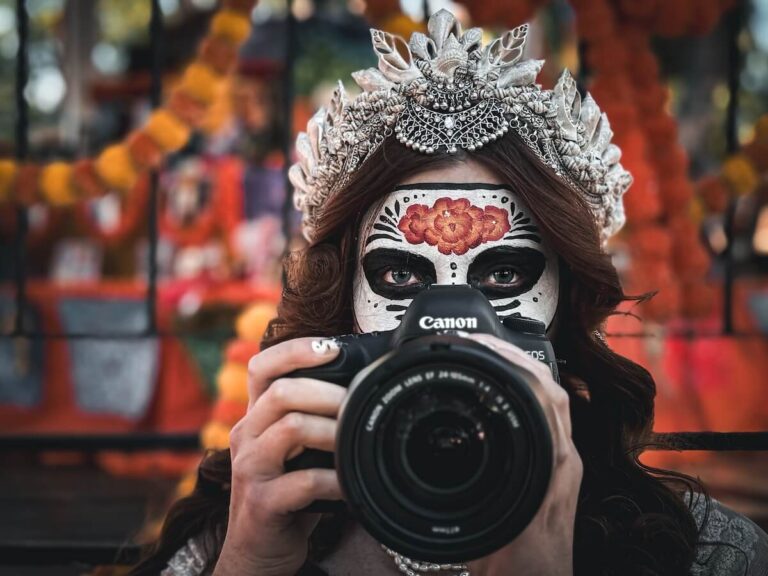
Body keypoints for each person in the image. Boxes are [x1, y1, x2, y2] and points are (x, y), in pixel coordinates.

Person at [131, 10, 768, 576]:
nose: (450, 323)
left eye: (503, 275)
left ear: (570, 301)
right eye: (402, 277)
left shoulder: (700, 552)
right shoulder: (247, 534)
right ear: (341, 305)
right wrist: (250, 563)